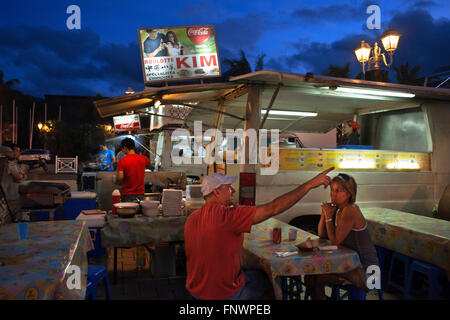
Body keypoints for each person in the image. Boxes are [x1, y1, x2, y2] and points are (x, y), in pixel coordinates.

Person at [184, 167, 334, 300]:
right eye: (228, 188)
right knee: (272, 282)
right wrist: (309, 185)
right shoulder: (228, 215)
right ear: (217, 192)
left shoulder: (192, 218)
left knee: (256, 273)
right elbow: (274, 208)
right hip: (222, 293)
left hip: (195, 289)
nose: (233, 191)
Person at [304, 173, 378, 300]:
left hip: (367, 271)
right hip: (349, 264)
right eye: (332, 190)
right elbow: (322, 235)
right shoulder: (340, 210)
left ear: (349, 194)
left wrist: (328, 217)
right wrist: (324, 214)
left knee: (316, 279)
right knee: (310, 276)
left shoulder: (350, 210)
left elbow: (335, 241)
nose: (333, 194)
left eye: (338, 191)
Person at [116, 138, 151, 202]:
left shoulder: (122, 161)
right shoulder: (143, 158)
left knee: (128, 211)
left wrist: (117, 180)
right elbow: (149, 165)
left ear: (125, 148)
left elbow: (120, 177)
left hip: (127, 194)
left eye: (122, 149)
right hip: (140, 193)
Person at [0, 144, 27, 222]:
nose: (18, 153)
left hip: (12, 195)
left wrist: (20, 176)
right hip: (7, 196)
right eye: (16, 151)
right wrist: (20, 176)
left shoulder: (14, 163)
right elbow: (18, 176)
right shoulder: (8, 164)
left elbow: (23, 176)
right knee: (5, 220)